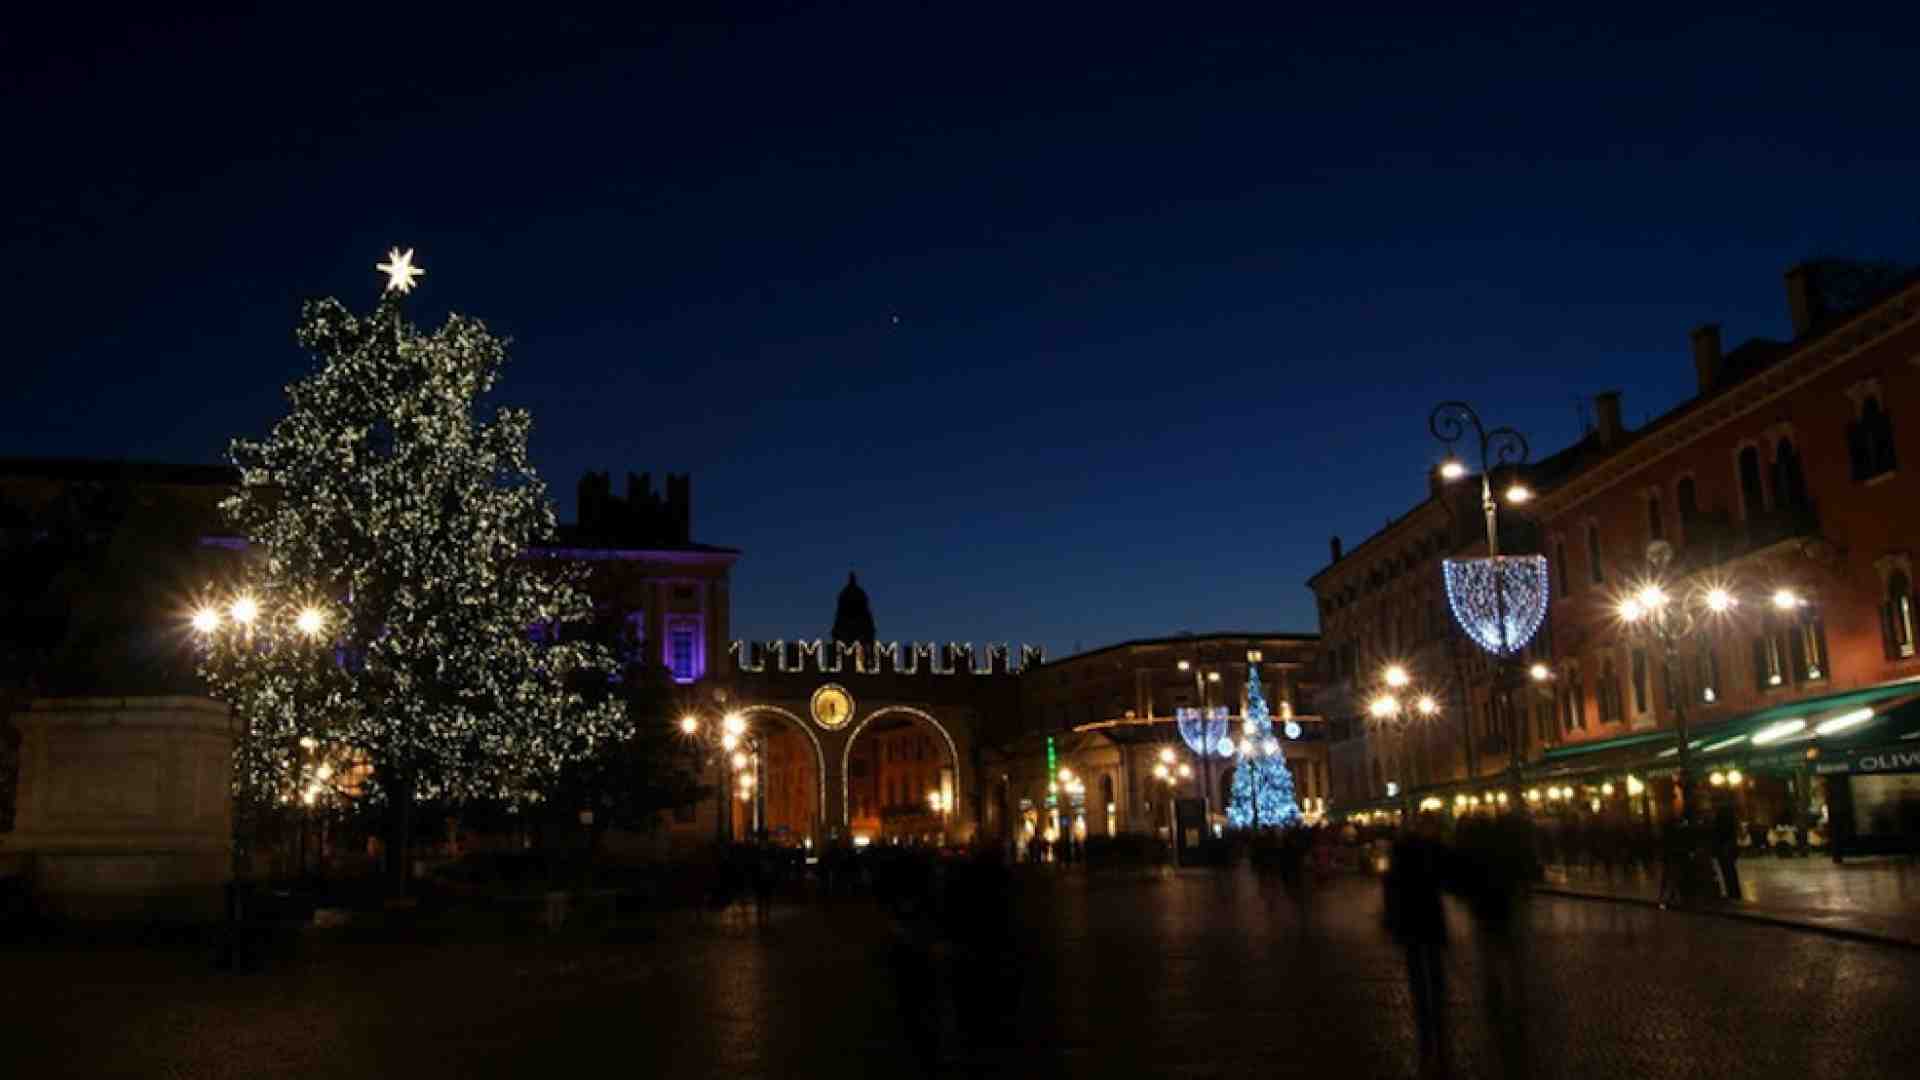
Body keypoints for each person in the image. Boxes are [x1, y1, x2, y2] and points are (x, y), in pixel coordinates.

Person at [1384, 817, 1450, 1076]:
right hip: (1429, 918)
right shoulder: (1433, 850)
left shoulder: (1400, 852)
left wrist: (1390, 917)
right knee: (1433, 967)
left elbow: (1390, 886)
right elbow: (1445, 879)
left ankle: (1424, 1011)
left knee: (1417, 968)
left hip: (1409, 919)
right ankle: (1437, 1011)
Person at [1712, 800, 1743, 900]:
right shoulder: (1731, 817)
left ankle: (1733, 893)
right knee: (1730, 871)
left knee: (1728, 871)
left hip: (1725, 847)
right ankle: (1734, 892)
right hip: (1730, 846)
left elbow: (1719, 832)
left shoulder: (1722, 818)